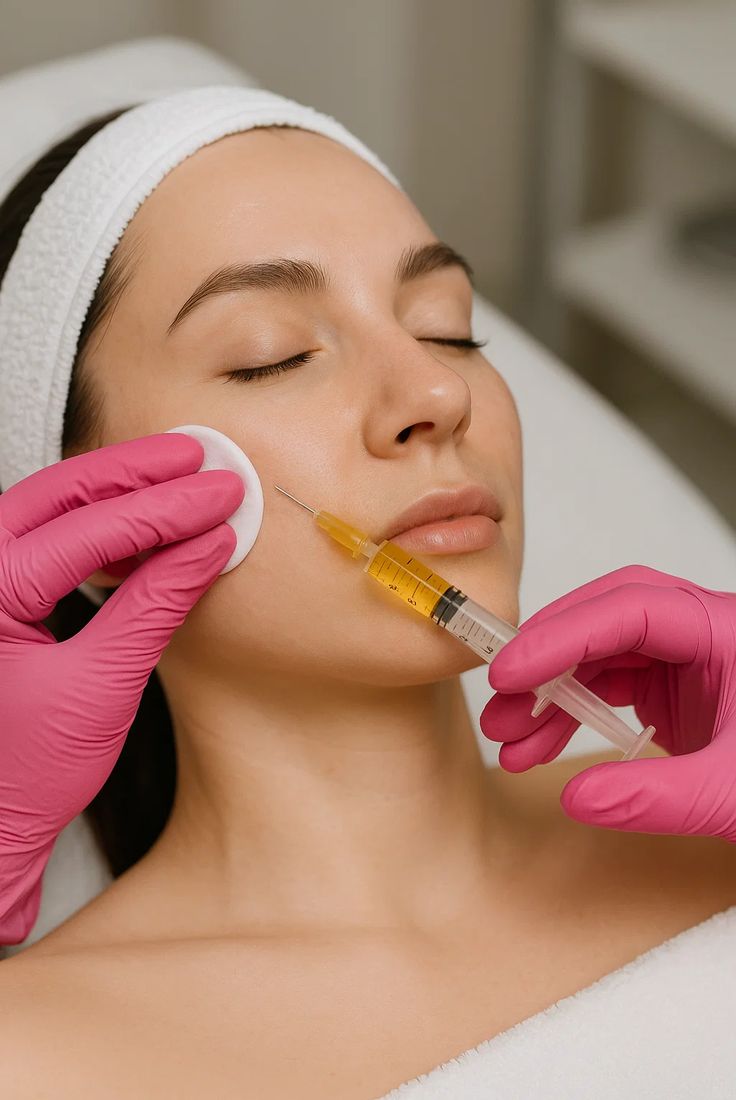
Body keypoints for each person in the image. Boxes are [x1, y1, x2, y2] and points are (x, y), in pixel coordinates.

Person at [0, 94, 735, 1099]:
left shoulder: (708, 814)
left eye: (449, 330)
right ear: (91, 522)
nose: (437, 393)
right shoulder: (37, 1051)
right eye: (271, 353)